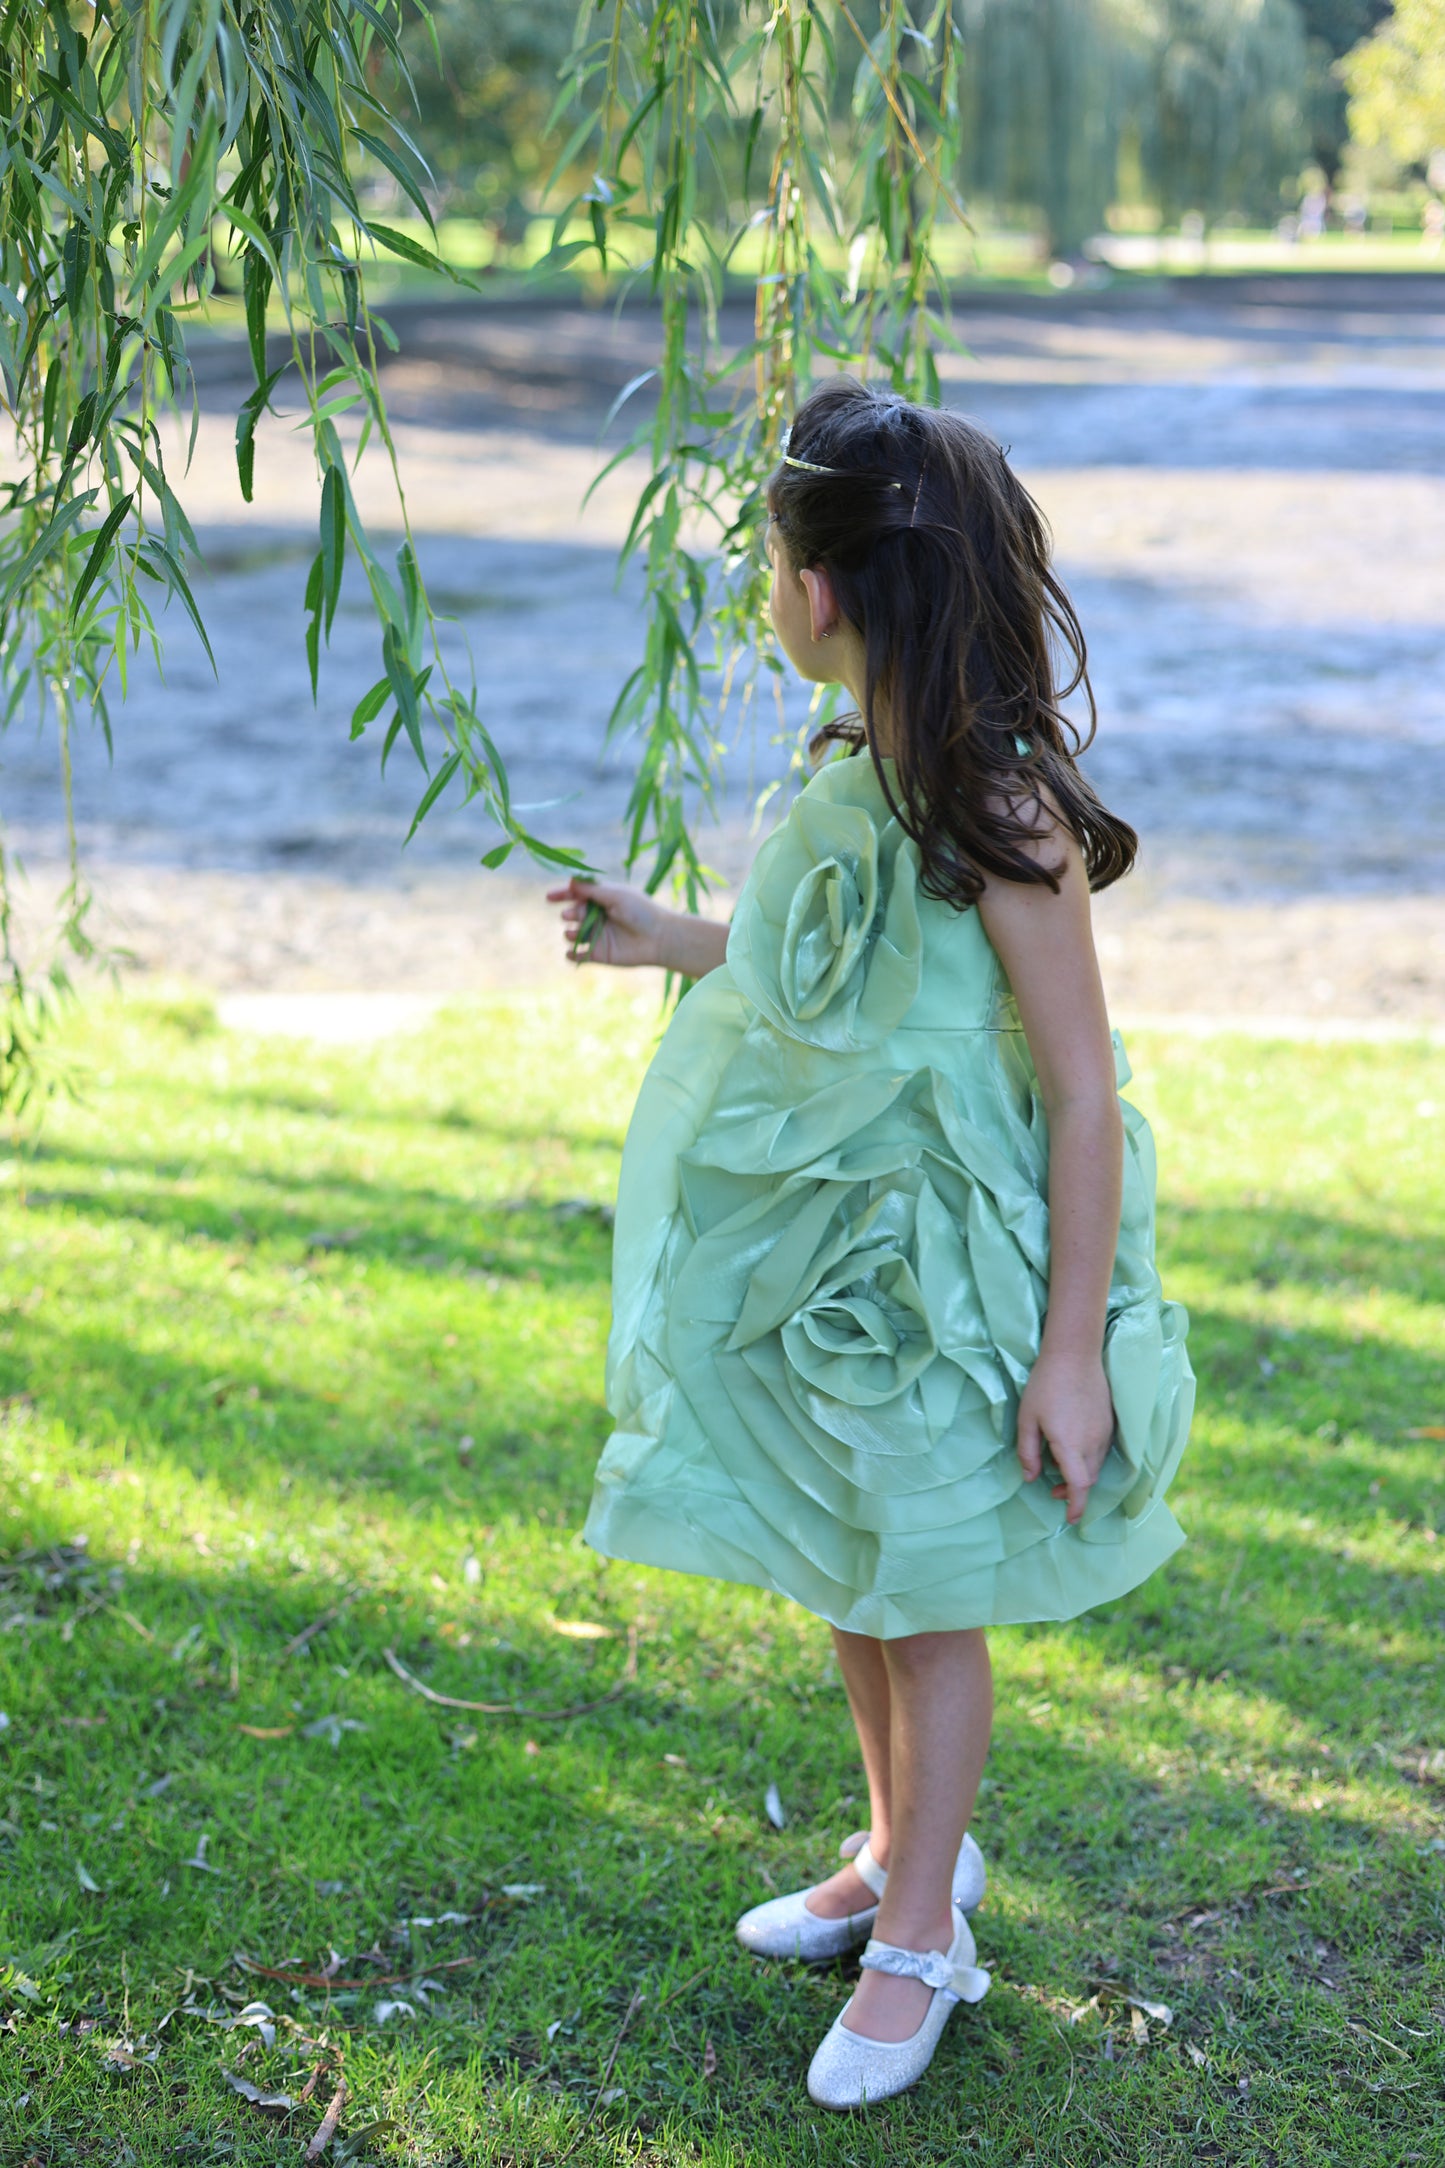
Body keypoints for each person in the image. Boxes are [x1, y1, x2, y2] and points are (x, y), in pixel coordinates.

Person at [548, 379, 1194, 2109]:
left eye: (771, 563)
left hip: (946, 1276)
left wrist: (1068, 1351)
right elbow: (808, 978)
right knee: (852, 1562)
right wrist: (667, 937)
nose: (769, 592)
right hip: (826, 1258)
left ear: (825, 591)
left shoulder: (1004, 814)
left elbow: (1077, 1094)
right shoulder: (845, 777)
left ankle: (924, 1939)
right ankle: (908, 1849)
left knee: (927, 1593)